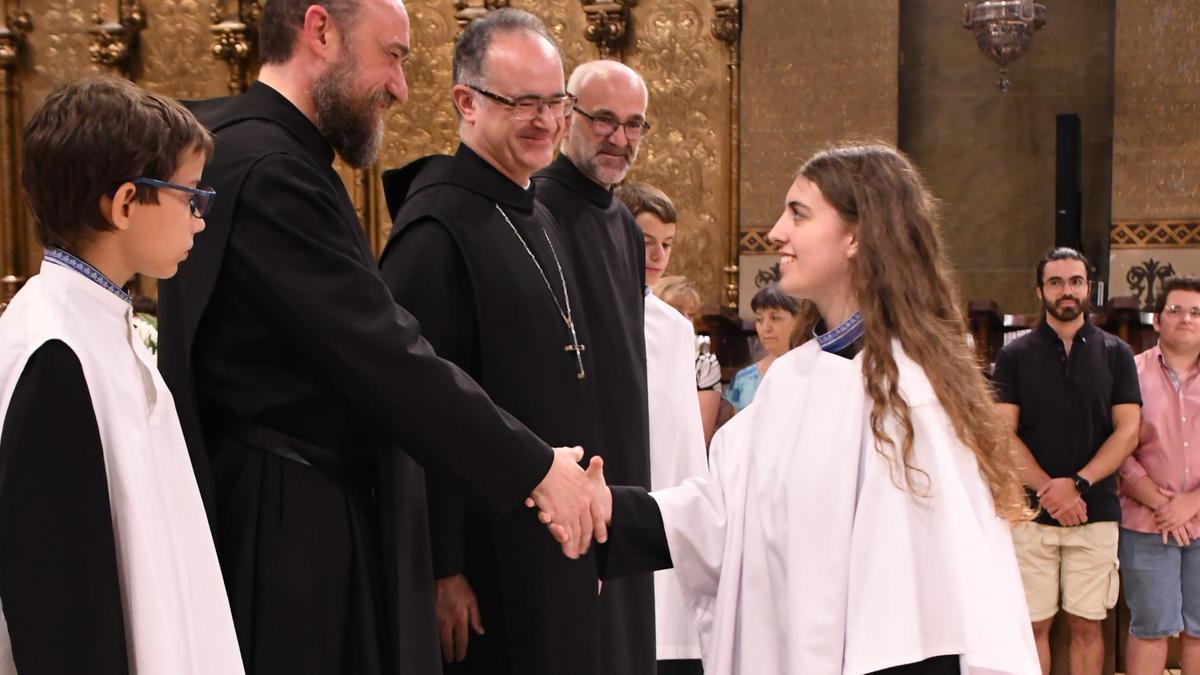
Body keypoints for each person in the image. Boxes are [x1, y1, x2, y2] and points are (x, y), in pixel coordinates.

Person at [155, 1, 596, 673]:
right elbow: (390, 358)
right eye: (392, 55)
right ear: (320, 29)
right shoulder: (273, 171)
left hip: (295, 509)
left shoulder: (255, 152)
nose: (400, 87)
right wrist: (536, 469)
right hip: (289, 533)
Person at [584, 143, 1039, 675]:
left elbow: (916, 621)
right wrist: (603, 514)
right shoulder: (797, 378)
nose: (776, 232)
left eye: (798, 213)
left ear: (857, 236)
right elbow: (724, 515)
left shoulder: (905, 397)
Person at [377, 10, 608, 675]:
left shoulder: (534, 208)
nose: (546, 121)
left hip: (550, 536)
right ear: (466, 102)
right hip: (483, 557)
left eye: (556, 103)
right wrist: (443, 568)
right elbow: (417, 411)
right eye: (523, 103)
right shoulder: (435, 228)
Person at [0, 77, 242, 674]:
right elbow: (57, 603)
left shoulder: (102, 321)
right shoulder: (55, 352)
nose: (200, 220)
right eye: (190, 197)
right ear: (127, 203)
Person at [533, 58, 654, 674]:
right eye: (604, 120)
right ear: (565, 114)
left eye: (635, 125)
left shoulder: (626, 229)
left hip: (625, 478)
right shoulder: (538, 212)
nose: (620, 139)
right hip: (573, 483)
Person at [993, 247, 1141, 675]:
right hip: (1031, 513)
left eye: (1075, 281)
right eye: (1055, 282)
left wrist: (1076, 485)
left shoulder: (1117, 353)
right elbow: (1003, 435)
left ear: (1088, 288)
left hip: (1094, 512)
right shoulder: (1014, 356)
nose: (1066, 291)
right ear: (1040, 290)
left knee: (1087, 627)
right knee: (1033, 626)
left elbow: (1128, 431)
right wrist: (1049, 489)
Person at [617, 181, 709, 674]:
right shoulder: (590, 309)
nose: (657, 255)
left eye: (667, 244)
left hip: (665, 485)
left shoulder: (675, 327)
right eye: (646, 239)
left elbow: (684, 432)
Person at [1119, 275, 1200, 675]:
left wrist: (1191, 502)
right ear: (1157, 320)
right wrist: (1163, 504)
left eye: (1196, 312)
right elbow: (1118, 449)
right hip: (1146, 521)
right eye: (1176, 310)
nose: (1186, 318)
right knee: (1150, 628)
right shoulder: (1129, 372)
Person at [724, 284, 801, 412]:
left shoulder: (815, 373)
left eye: (775, 318)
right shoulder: (744, 380)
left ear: (799, 320)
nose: (766, 327)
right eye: (759, 319)